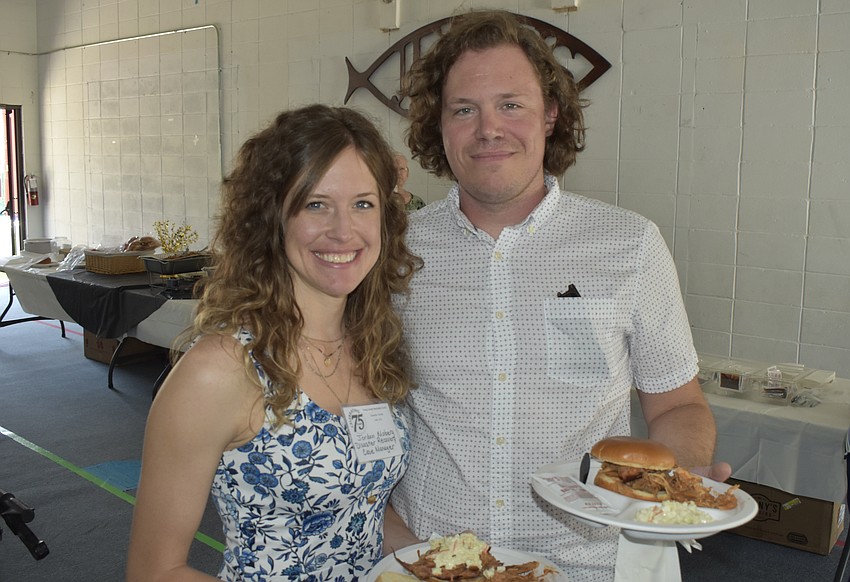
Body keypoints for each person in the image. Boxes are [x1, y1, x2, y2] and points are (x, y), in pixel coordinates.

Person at [388, 10, 732, 582]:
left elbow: (677, 406)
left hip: (587, 563)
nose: (488, 129)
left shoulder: (630, 245)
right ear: (439, 126)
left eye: (511, 104)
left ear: (550, 114)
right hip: (435, 558)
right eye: (464, 109)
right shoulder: (394, 253)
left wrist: (683, 474)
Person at [127, 104, 421, 581]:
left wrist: (437, 560)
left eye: (363, 203)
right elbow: (153, 572)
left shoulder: (372, 346)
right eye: (316, 204)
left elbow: (358, 505)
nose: (343, 230)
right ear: (272, 217)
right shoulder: (222, 369)